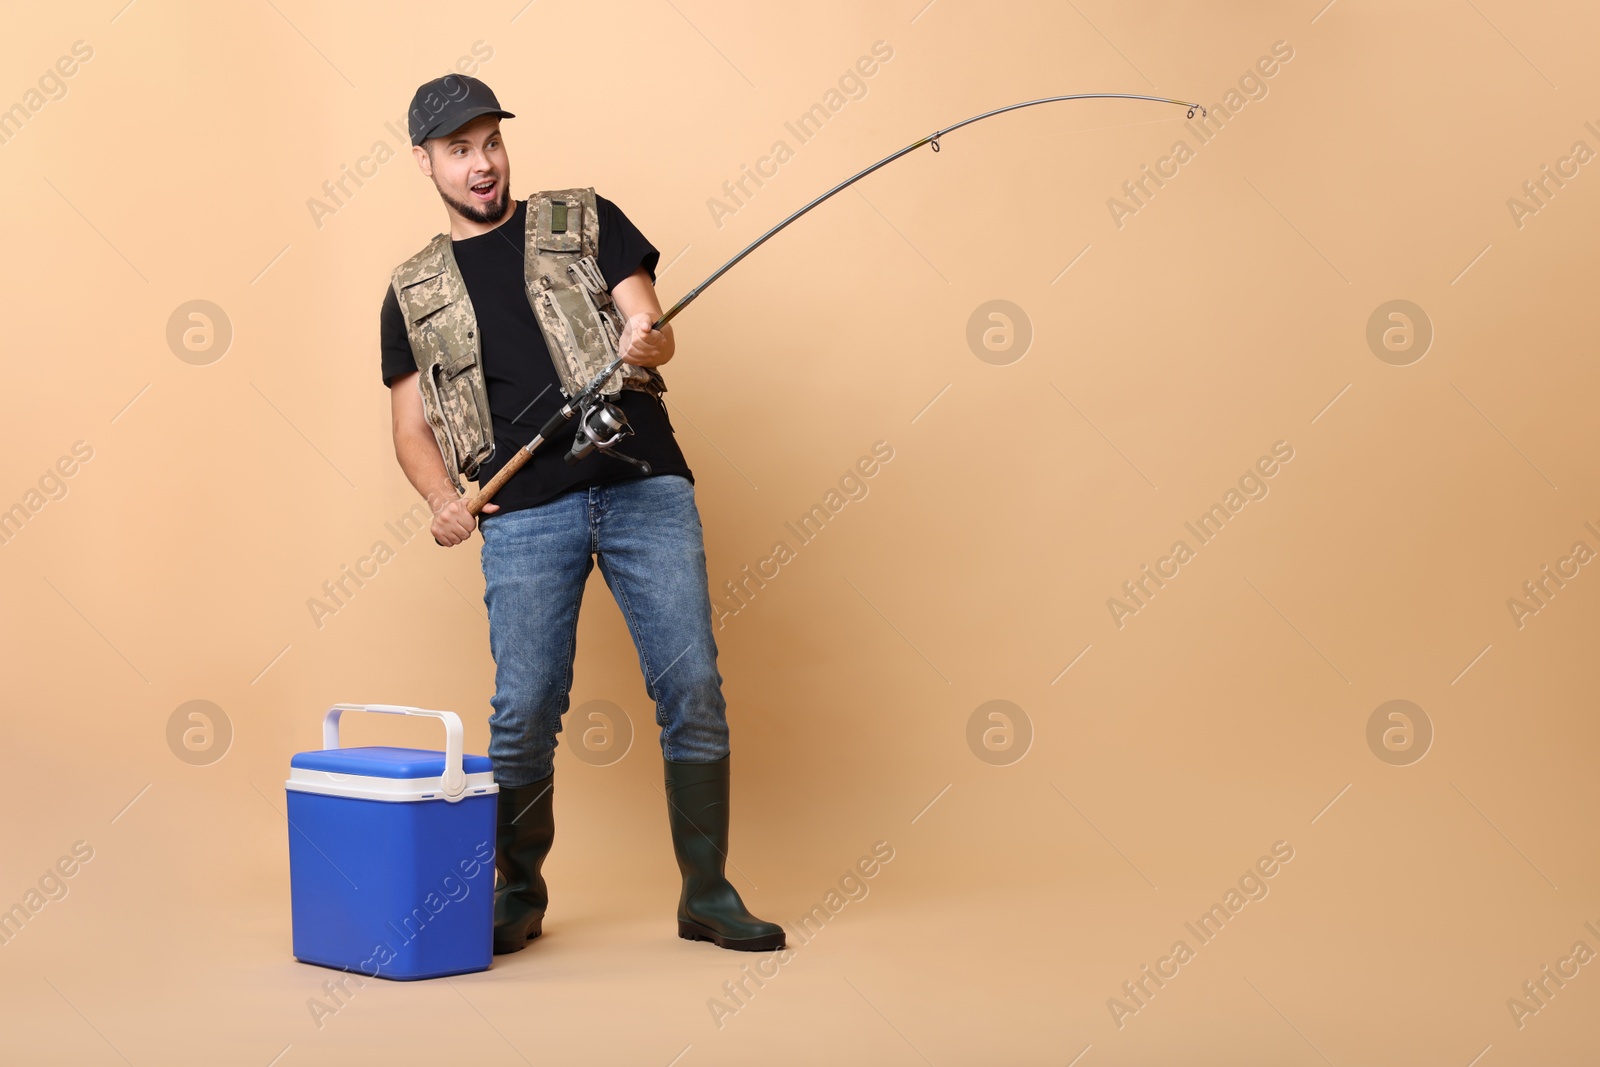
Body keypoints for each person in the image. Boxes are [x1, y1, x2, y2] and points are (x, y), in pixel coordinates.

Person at [380, 74, 783, 954]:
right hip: (521, 513)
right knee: (523, 709)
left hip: (645, 485)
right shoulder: (411, 290)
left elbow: (651, 323)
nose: (482, 164)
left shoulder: (584, 218)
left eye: (491, 141)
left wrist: (648, 336)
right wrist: (444, 501)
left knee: (693, 688)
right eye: (459, 150)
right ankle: (516, 896)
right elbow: (411, 430)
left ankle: (707, 894)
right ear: (425, 162)